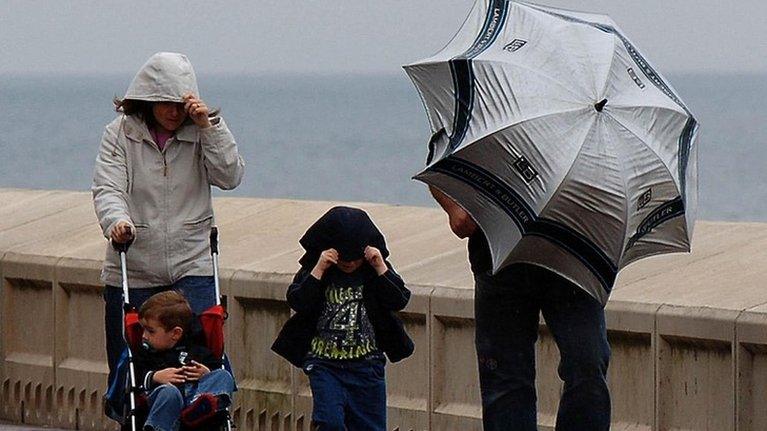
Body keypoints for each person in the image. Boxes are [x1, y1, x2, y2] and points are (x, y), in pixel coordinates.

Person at [92, 52, 245, 386]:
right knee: (130, 366)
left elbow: (230, 176)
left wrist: (209, 129)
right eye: (165, 104)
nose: (174, 113)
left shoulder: (202, 132)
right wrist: (117, 222)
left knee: (206, 352)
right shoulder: (120, 134)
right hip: (134, 263)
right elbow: (108, 186)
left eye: (180, 104)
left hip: (192, 261)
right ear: (147, 100)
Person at [429, 186, 611, 431]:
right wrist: (453, 205)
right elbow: (439, 157)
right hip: (499, 257)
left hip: (574, 257)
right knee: (505, 381)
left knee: (588, 364)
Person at [271, 206, 414, 431]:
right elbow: (298, 301)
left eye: (355, 259)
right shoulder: (318, 269)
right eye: (343, 258)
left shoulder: (372, 271)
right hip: (324, 363)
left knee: (370, 426)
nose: (349, 263)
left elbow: (399, 300)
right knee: (330, 422)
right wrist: (318, 269)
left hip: (367, 365)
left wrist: (379, 265)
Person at [135, 291, 235, 430]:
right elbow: (134, 376)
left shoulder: (196, 349)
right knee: (169, 393)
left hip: (195, 396)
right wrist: (155, 376)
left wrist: (206, 372)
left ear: (175, 333)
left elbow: (214, 368)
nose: (144, 336)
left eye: (150, 331)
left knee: (224, 376)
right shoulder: (145, 353)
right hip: (163, 401)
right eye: (143, 330)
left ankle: (198, 409)